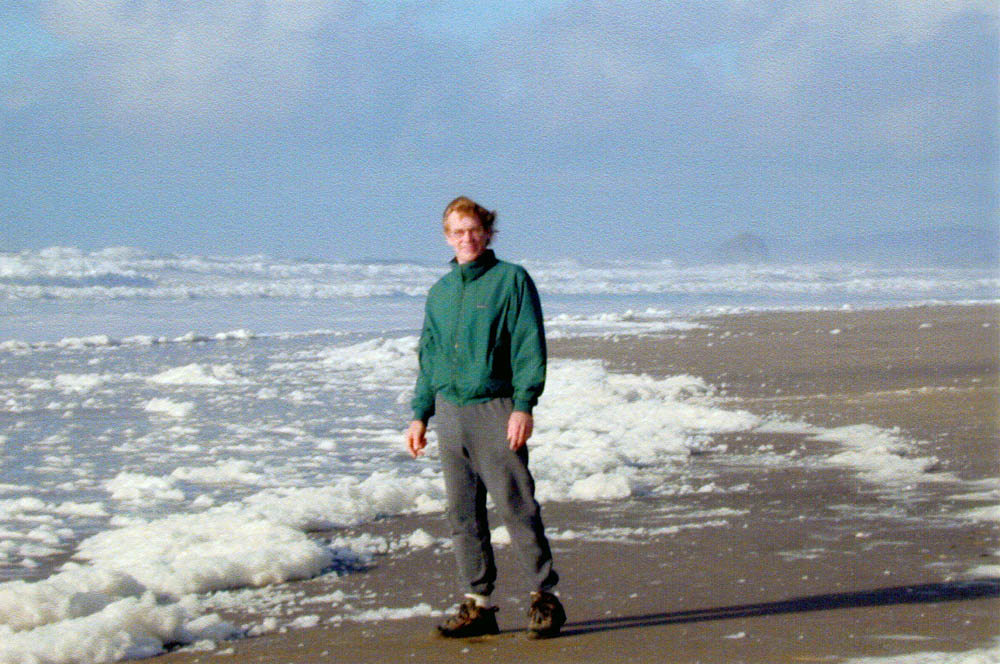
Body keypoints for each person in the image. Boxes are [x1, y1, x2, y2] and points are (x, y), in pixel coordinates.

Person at [406, 196, 565, 639]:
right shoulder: (440, 292)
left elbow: (528, 344)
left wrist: (524, 405)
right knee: (462, 513)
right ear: (447, 237)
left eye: (474, 230)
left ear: (488, 232)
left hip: (495, 408)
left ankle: (545, 596)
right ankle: (478, 604)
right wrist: (420, 414)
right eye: (458, 232)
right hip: (450, 412)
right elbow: (429, 357)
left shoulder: (511, 280)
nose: (467, 238)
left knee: (516, 503)